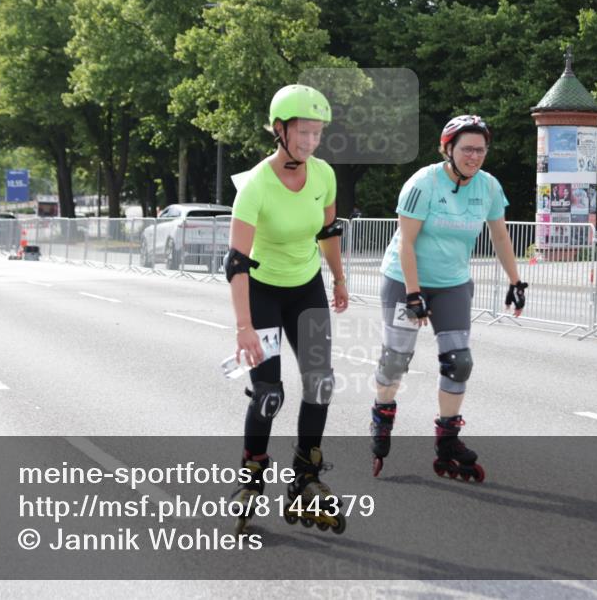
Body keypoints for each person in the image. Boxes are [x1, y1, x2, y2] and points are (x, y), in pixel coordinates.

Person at [369, 115, 527, 481]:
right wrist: (413, 294)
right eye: (467, 149)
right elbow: (406, 242)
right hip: (403, 278)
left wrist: (516, 281)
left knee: (459, 362)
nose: (475, 156)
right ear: (448, 149)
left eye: (481, 150)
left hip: (453, 282)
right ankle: (382, 413)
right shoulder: (423, 183)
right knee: (395, 361)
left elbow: (500, 237)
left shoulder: (487, 187)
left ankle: (447, 439)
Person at [223, 84, 349, 534]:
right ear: (280, 130)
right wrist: (244, 327)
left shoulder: (324, 175)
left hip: (306, 288)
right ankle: (252, 473)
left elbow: (328, 231)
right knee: (269, 393)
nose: (311, 142)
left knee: (320, 383)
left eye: (317, 134)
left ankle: (305, 477)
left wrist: (338, 276)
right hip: (263, 294)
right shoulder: (256, 185)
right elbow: (236, 263)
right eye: (303, 132)